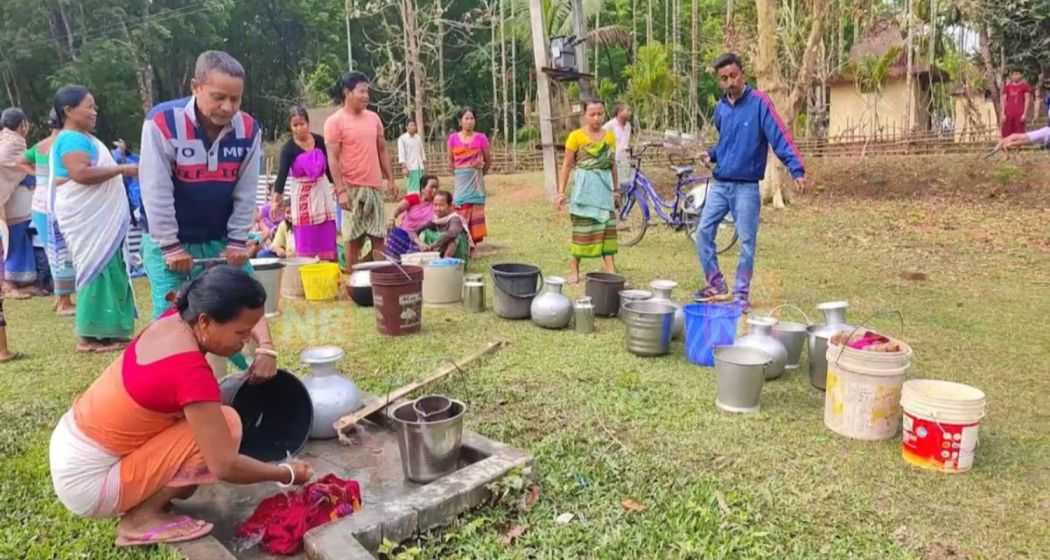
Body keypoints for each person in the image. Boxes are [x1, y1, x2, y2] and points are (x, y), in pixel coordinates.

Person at [49, 266, 314, 548]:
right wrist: (286, 473)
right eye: (241, 332)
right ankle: (140, 519)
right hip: (91, 483)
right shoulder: (190, 372)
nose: (246, 339)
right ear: (205, 321)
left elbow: (250, 312)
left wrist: (267, 347)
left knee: (211, 424)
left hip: (72, 446)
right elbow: (224, 466)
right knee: (226, 425)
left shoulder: (175, 319)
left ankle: (150, 498)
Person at [696, 53, 806, 310]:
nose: (729, 82)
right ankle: (716, 284)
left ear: (742, 74)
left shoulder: (760, 103)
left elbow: (780, 135)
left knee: (746, 242)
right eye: (724, 78)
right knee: (702, 232)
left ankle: (741, 295)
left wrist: (796, 168)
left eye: (733, 76)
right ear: (719, 81)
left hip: (746, 187)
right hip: (721, 184)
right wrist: (711, 154)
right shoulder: (721, 108)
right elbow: (726, 143)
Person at [50, 86, 139, 352]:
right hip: (89, 219)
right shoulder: (72, 139)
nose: (94, 112)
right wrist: (122, 168)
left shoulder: (84, 139)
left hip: (100, 219)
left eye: (94, 106)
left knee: (109, 268)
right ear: (68, 110)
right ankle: (92, 336)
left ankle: (111, 332)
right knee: (97, 268)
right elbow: (81, 174)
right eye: (89, 106)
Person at [324, 72, 398, 269]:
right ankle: (353, 280)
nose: (366, 96)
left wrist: (390, 179)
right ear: (347, 93)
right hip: (351, 188)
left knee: (379, 236)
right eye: (361, 91)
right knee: (352, 239)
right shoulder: (334, 122)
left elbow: (382, 150)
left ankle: (379, 279)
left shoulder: (374, 119)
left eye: (367, 92)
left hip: (374, 186)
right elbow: (333, 158)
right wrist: (340, 191)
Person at [557, 100, 620, 284]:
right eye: (592, 114)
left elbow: (612, 165)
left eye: (600, 114)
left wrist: (616, 190)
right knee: (581, 231)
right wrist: (561, 192)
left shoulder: (609, 137)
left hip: (603, 192)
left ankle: (611, 270)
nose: (596, 118)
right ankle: (575, 270)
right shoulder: (575, 137)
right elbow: (567, 165)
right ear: (585, 115)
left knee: (607, 231)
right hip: (584, 193)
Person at [24, 110, 76, 314]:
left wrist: (37, 174)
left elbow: (20, 161)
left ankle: (60, 298)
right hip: (58, 202)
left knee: (52, 251)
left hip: (39, 203)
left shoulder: (40, 146)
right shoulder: (65, 145)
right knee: (64, 252)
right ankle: (64, 301)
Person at [0, 108, 39, 298]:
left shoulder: (6, 139)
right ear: (21, 125)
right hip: (7, 201)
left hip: (9, 199)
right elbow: (20, 166)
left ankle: (16, 283)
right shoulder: (13, 143)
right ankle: (8, 285)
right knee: (9, 241)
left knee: (14, 238)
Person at [447, 108, 491, 249]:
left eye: (472, 118)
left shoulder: (481, 138)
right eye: (466, 118)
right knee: (460, 209)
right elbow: (450, 162)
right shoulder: (453, 138)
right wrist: (462, 172)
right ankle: (464, 242)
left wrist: (479, 172)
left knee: (475, 212)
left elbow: (488, 160)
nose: (469, 121)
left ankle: (474, 245)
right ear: (460, 121)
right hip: (460, 181)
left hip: (476, 181)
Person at [385, 175, 438, 261]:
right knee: (394, 234)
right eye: (432, 187)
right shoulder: (414, 198)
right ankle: (393, 261)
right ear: (423, 188)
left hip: (423, 238)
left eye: (436, 187)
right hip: (405, 235)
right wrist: (391, 219)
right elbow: (398, 209)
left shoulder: (437, 203)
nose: (434, 190)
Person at [411, 190, 470, 260]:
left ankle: (445, 262)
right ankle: (431, 259)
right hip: (439, 250)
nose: (438, 208)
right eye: (435, 205)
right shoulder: (435, 220)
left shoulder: (455, 219)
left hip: (458, 255)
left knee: (454, 238)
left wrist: (432, 246)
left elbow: (452, 233)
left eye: (441, 205)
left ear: (449, 206)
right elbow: (413, 232)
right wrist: (420, 244)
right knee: (425, 233)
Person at [603, 102, 634, 190]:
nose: (630, 113)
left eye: (630, 110)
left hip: (625, 161)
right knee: (614, 186)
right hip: (614, 162)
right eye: (627, 110)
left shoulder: (628, 126)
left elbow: (626, 142)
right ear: (619, 112)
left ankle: (623, 203)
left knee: (625, 185)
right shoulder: (609, 125)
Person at [1000, 69, 1032, 138]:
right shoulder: (1007, 87)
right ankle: (1007, 147)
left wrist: (1025, 114)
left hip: (1019, 114)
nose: (1015, 76)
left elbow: (1027, 100)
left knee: (1019, 132)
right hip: (1008, 114)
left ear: (1021, 75)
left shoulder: (1025, 86)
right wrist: (1003, 113)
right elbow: (1003, 100)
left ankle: (1018, 148)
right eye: (1013, 74)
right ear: (1011, 76)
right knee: (1006, 132)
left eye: (1017, 74)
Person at [397, 120, 427, 193]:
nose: (413, 127)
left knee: (422, 188)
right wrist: (404, 167)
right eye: (411, 125)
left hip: (420, 167)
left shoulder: (418, 137)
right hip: (410, 168)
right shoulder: (402, 139)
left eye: (414, 125)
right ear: (406, 127)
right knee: (412, 189)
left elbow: (421, 150)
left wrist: (424, 162)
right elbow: (401, 154)